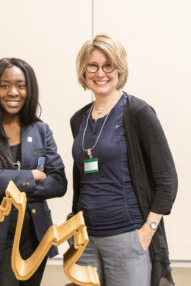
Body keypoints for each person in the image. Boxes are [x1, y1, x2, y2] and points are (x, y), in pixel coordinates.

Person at [70, 34, 177, 286]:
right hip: (86, 239)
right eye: (92, 66)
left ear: (119, 69)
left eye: (108, 66)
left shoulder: (138, 113)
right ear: (83, 71)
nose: (100, 73)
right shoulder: (79, 120)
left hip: (127, 238)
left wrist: (146, 232)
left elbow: (167, 180)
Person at [0, 58, 67, 286]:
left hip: (34, 235)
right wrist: (30, 176)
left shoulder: (41, 130)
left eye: (21, 85)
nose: (13, 92)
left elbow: (59, 182)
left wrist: (4, 183)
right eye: (4, 85)